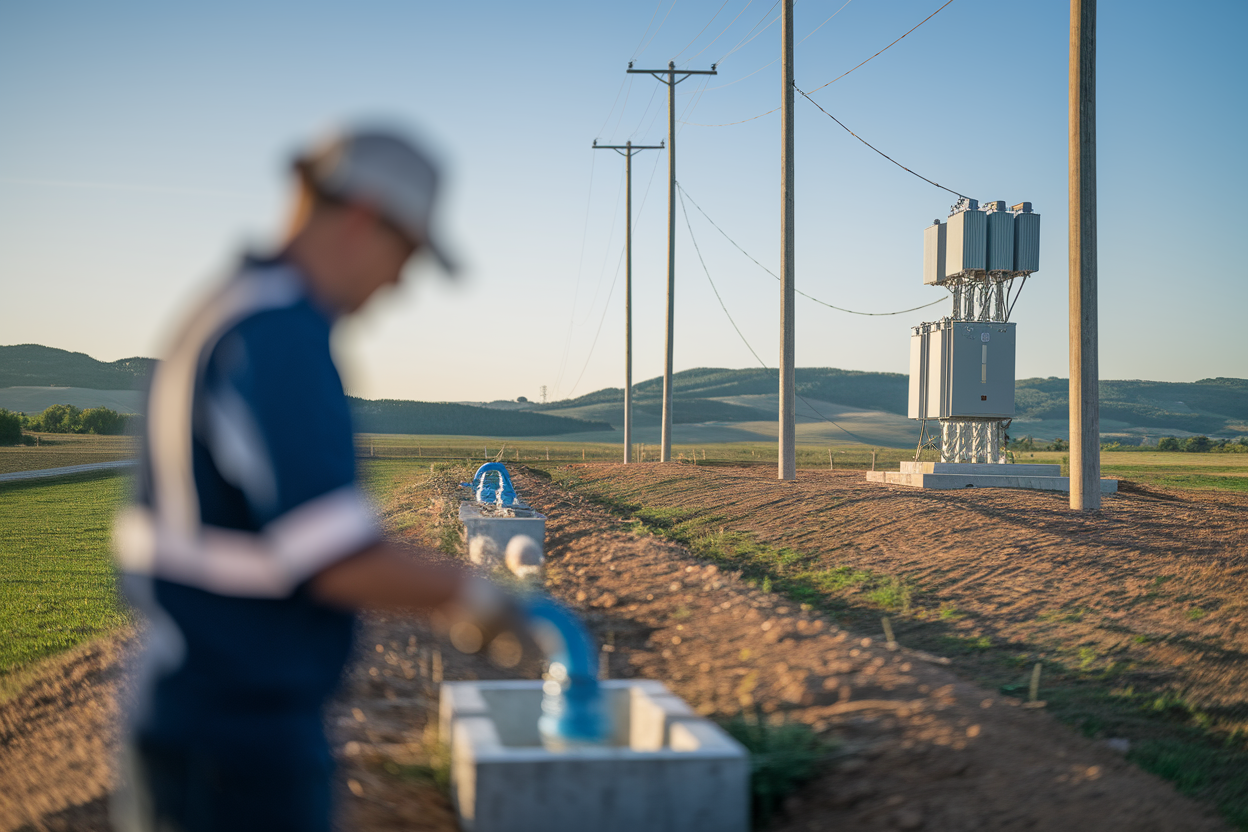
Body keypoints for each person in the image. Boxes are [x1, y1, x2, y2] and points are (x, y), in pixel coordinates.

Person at [112, 126, 512, 832]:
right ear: (362, 217)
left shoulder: (230, 308)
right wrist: (478, 597)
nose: (399, 282)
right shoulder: (281, 335)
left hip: (199, 712)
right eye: (407, 255)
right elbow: (331, 557)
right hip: (238, 740)